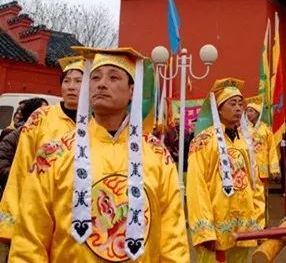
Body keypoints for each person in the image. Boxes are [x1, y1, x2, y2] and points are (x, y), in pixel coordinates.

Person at [9, 47, 189, 261]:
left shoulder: (156, 154)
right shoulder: (54, 154)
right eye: (95, 77)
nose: (101, 83)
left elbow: (173, 236)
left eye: (113, 77)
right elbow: (30, 238)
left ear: (132, 91)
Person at [0, 56, 83, 248]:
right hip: (37, 207)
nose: (71, 86)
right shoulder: (41, 118)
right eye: (67, 81)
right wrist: (11, 220)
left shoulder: (96, 122)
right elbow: (21, 167)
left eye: (79, 81)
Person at [187, 78, 259, 262]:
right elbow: (196, 186)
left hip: (243, 226)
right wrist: (205, 231)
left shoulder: (245, 140)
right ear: (218, 108)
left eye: (240, 104)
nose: (238, 108)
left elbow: (254, 182)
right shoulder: (203, 140)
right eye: (232, 103)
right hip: (216, 226)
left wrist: (257, 221)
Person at [0, 98, 48, 199]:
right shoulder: (12, 137)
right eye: (42, 110)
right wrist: (22, 178)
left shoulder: (50, 136)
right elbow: (2, 163)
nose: (47, 113)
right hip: (16, 195)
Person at [245, 95, 280, 228]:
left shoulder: (266, 130)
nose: (248, 114)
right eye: (247, 111)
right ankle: (250, 226)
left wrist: (274, 169)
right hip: (247, 169)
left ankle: (260, 228)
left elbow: (271, 150)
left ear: (258, 113)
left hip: (261, 171)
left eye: (251, 111)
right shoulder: (242, 129)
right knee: (248, 198)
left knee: (260, 198)